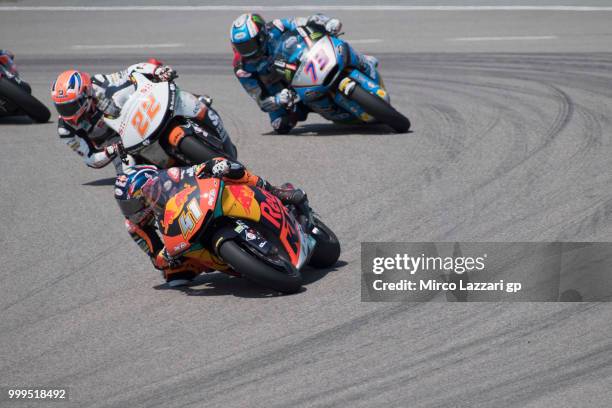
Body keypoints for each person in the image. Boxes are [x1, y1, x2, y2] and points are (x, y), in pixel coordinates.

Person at [115, 157, 306, 286]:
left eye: (134, 203)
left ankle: (275, 192)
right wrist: (165, 256)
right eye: (126, 207)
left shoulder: (171, 177)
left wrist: (214, 166)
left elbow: (199, 168)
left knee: (230, 170)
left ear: (150, 189)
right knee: (174, 277)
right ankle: (234, 261)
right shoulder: (134, 226)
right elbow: (155, 256)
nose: (133, 211)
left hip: (202, 204)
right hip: (183, 235)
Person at [50, 60, 229, 172]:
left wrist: (156, 71)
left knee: (155, 69)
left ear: (86, 93)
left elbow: (131, 72)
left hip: (134, 118)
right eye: (62, 107)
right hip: (120, 147)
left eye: (71, 105)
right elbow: (90, 159)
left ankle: (193, 99)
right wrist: (113, 150)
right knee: (131, 181)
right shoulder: (66, 130)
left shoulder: (99, 83)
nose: (68, 112)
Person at [230, 13, 378, 133]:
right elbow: (260, 99)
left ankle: (364, 60)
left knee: (335, 42)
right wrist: (278, 99)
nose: (247, 52)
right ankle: (325, 108)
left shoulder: (277, 26)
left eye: (250, 45)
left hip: (303, 60)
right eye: (241, 47)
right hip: (282, 88)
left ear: (262, 35)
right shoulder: (243, 69)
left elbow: (305, 21)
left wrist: (326, 22)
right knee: (280, 125)